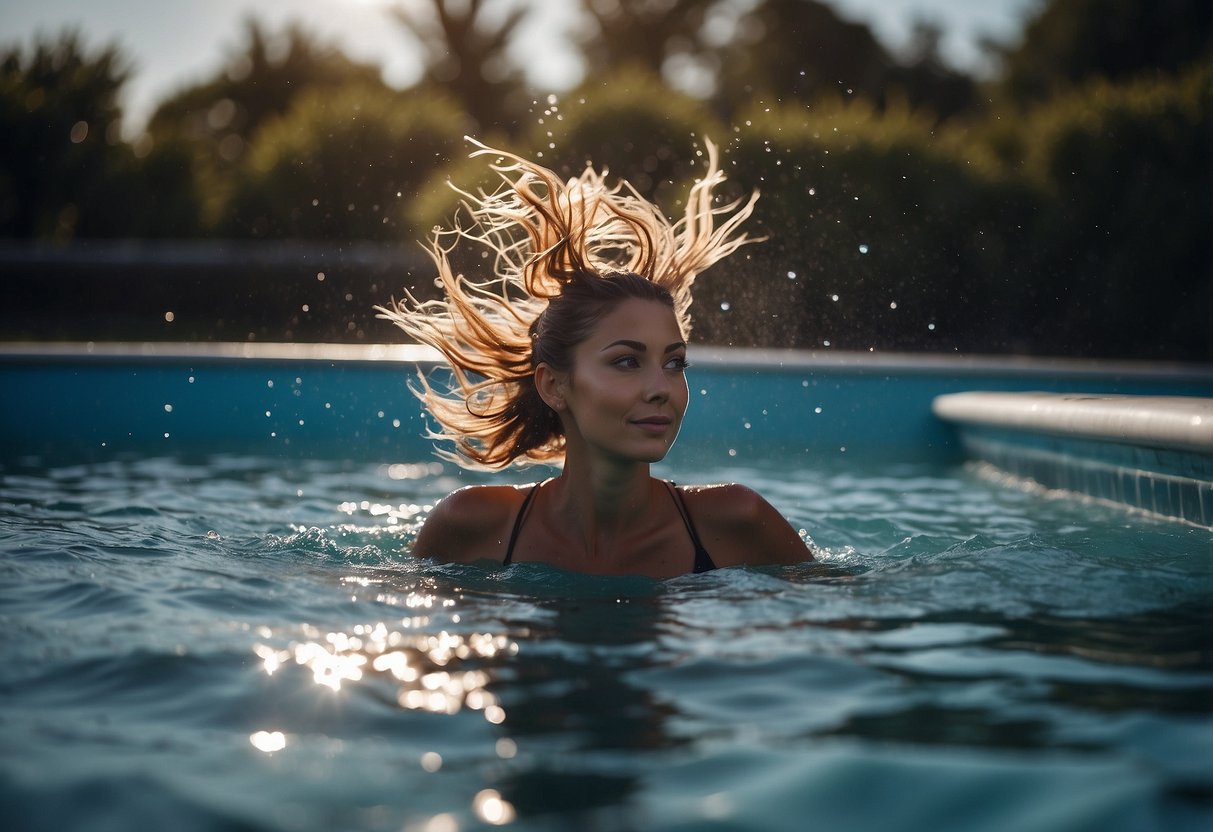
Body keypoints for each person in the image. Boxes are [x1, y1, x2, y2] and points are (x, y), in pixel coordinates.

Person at [378, 137, 813, 577]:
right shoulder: (473, 524)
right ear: (554, 385)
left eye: (674, 363)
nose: (661, 389)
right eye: (626, 361)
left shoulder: (736, 520)